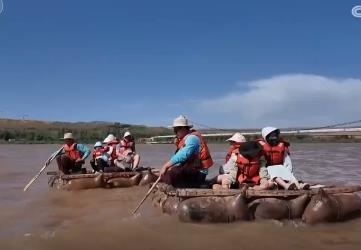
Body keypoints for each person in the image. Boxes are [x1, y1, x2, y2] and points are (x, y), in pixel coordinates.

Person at [159, 115, 213, 188]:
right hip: (192, 169)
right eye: (174, 130)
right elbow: (179, 154)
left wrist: (166, 165)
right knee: (172, 171)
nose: (175, 132)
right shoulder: (185, 139)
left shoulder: (192, 138)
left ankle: (199, 185)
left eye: (176, 130)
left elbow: (183, 155)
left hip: (199, 173)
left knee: (173, 174)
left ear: (184, 129)